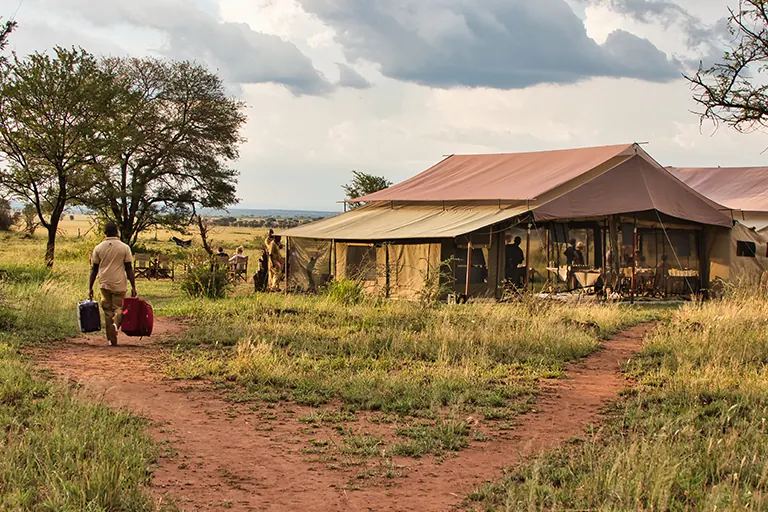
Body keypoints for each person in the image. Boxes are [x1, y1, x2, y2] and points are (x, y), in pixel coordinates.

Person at [88, 222, 137, 346]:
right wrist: (133, 286)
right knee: (119, 308)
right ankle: (116, 323)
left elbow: (94, 269)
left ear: (105, 233)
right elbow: (129, 268)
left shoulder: (98, 248)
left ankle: (112, 340)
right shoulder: (125, 247)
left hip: (104, 283)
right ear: (117, 232)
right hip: (119, 284)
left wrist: (90, 287)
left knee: (107, 311)